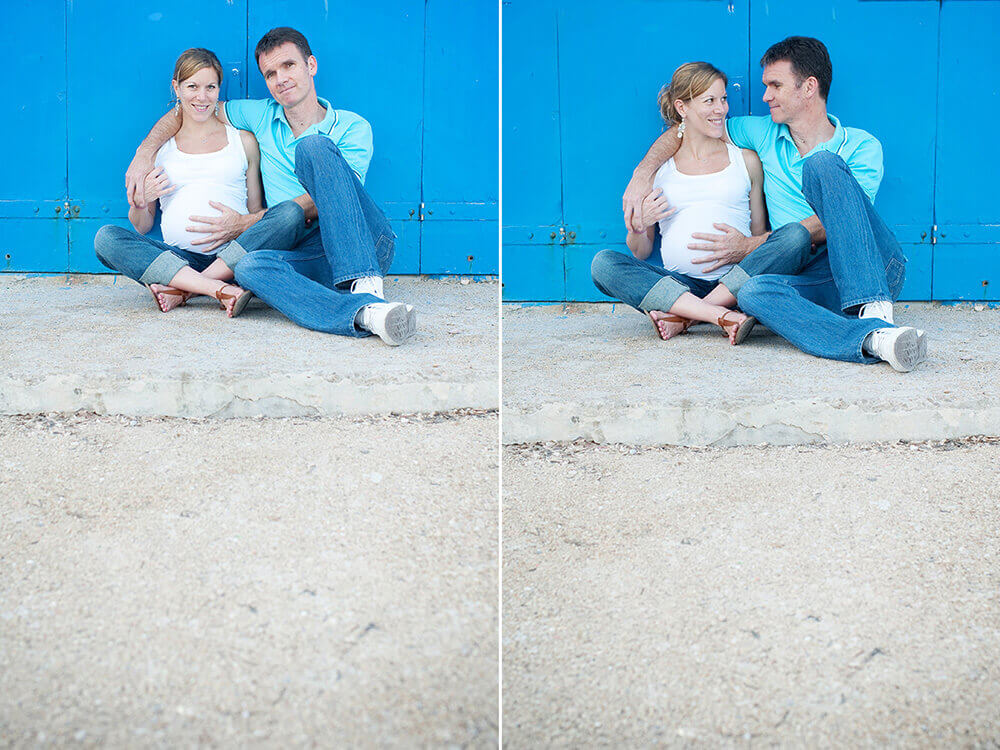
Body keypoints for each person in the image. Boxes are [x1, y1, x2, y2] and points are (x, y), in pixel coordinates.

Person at [622, 36, 926, 372]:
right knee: (752, 294)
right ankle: (874, 340)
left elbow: (845, 222)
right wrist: (642, 173)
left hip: (873, 266)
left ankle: (875, 308)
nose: (765, 95)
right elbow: (687, 129)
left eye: (775, 85)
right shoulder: (759, 132)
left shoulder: (862, 146)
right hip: (810, 275)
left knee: (821, 164)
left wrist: (751, 245)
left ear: (808, 87)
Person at [124, 27, 415, 346]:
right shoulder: (260, 115)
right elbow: (192, 109)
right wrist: (145, 152)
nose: (281, 79)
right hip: (306, 251)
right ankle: (365, 314)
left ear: (311, 66)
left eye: (289, 66)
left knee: (313, 148)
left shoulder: (352, 126)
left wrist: (246, 223)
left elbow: (338, 196)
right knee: (249, 267)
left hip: (363, 240)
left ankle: (367, 284)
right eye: (270, 73)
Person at [591, 62, 814, 345]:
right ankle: (718, 315)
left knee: (796, 235)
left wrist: (742, 249)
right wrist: (639, 226)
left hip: (739, 281)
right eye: (709, 101)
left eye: (723, 99)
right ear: (682, 108)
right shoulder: (659, 172)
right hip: (678, 286)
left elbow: (758, 234)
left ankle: (688, 317)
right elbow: (641, 252)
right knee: (603, 264)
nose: (721, 109)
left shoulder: (746, 160)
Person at [95, 48, 268, 316]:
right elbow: (142, 227)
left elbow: (256, 211)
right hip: (177, 260)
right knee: (106, 239)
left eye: (210, 87)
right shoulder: (159, 150)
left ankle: (184, 289)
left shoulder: (243, 141)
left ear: (219, 89)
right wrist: (141, 202)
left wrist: (238, 226)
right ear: (176, 88)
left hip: (233, 255)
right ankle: (216, 289)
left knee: (282, 221)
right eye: (192, 86)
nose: (202, 97)